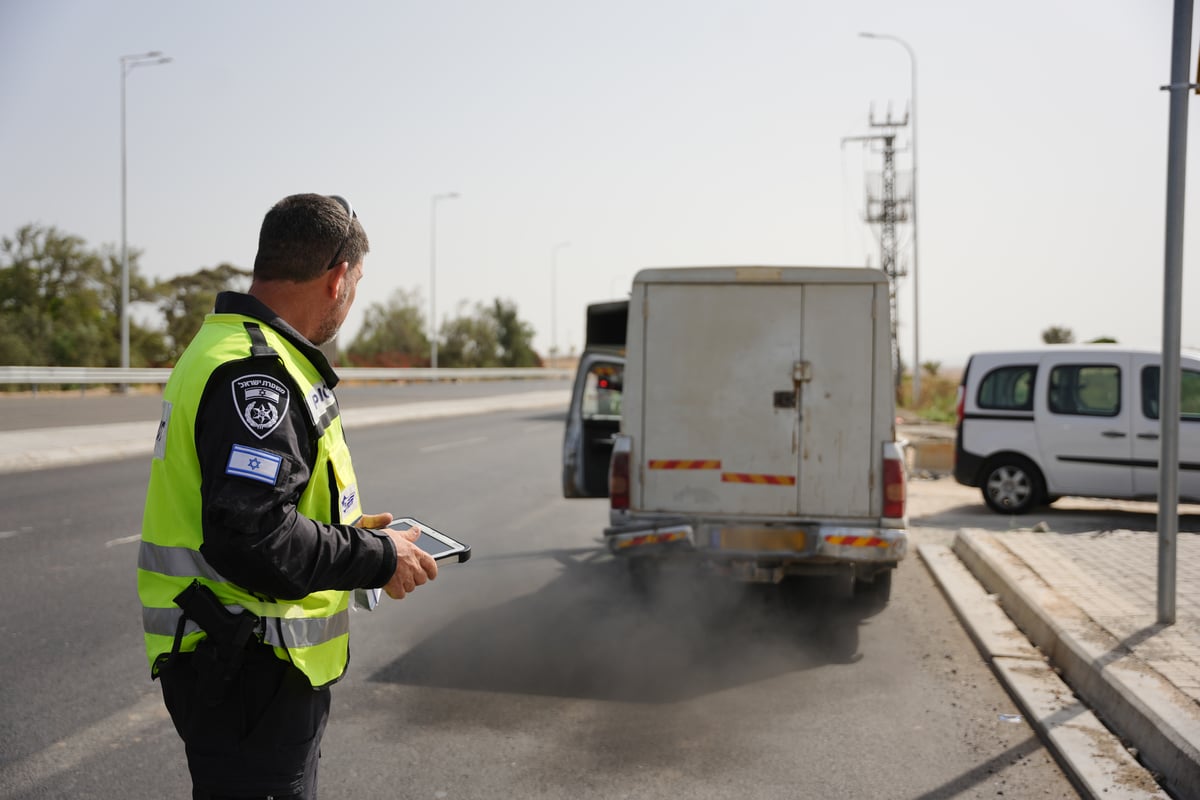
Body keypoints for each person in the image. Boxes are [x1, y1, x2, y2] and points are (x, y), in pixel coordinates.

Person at [137, 193, 438, 799]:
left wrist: (355, 532)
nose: (352, 300)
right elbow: (254, 536)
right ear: (337, 279)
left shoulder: (228, 348)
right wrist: (379, 558)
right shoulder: (258, 375)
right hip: (249, 671)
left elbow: (261, 507)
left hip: (244, 668)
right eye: (357, 284)